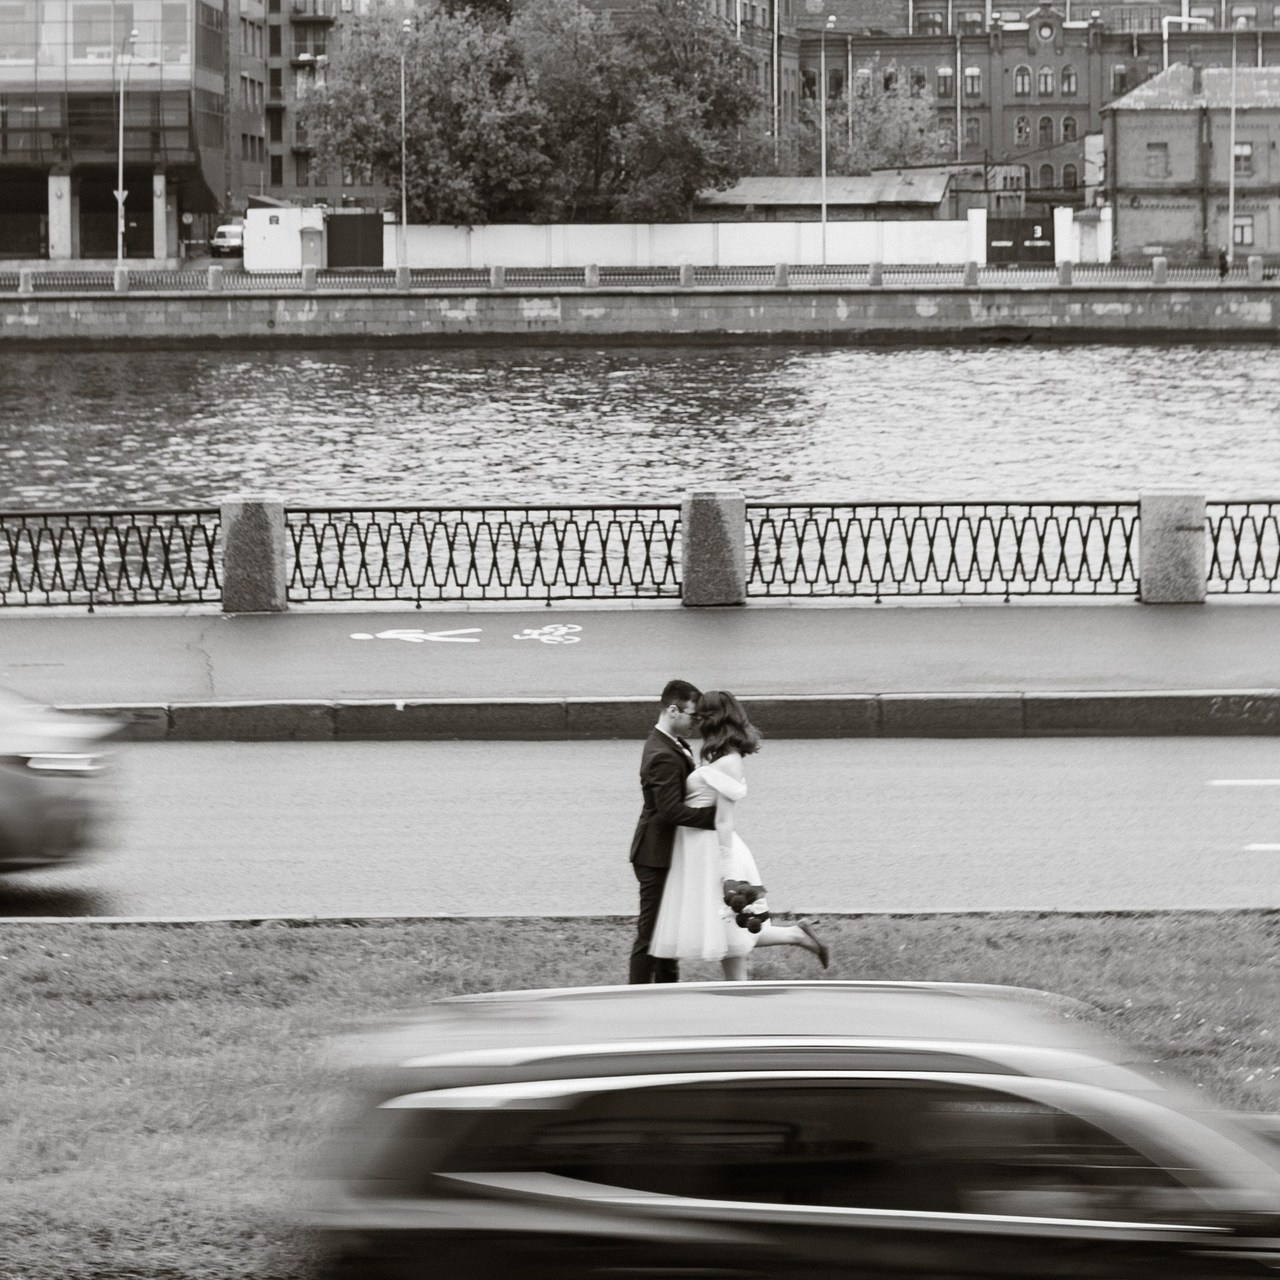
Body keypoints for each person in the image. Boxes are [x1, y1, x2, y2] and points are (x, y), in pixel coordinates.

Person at [649, 690, 830, 982]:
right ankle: (795, 936)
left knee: (731, 935)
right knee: (728, 934)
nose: (695, 720)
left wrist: (728, 873)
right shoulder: (719, 756)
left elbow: (723, 820)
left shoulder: (729, 762)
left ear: (713, 719)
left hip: (714, 853)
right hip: (699, 851)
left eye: (700, 715)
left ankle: (753, 983)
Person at [628, 680, 719, 983]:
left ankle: (667, 993)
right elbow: (670, 811)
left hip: (665, 851)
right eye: (693, 716)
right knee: (651, 936)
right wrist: (714, 818)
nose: (696, 723)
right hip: (655, 855)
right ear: (672, 710)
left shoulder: (671, 743)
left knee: (667, 934)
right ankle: (635, 1000)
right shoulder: (663, 754)